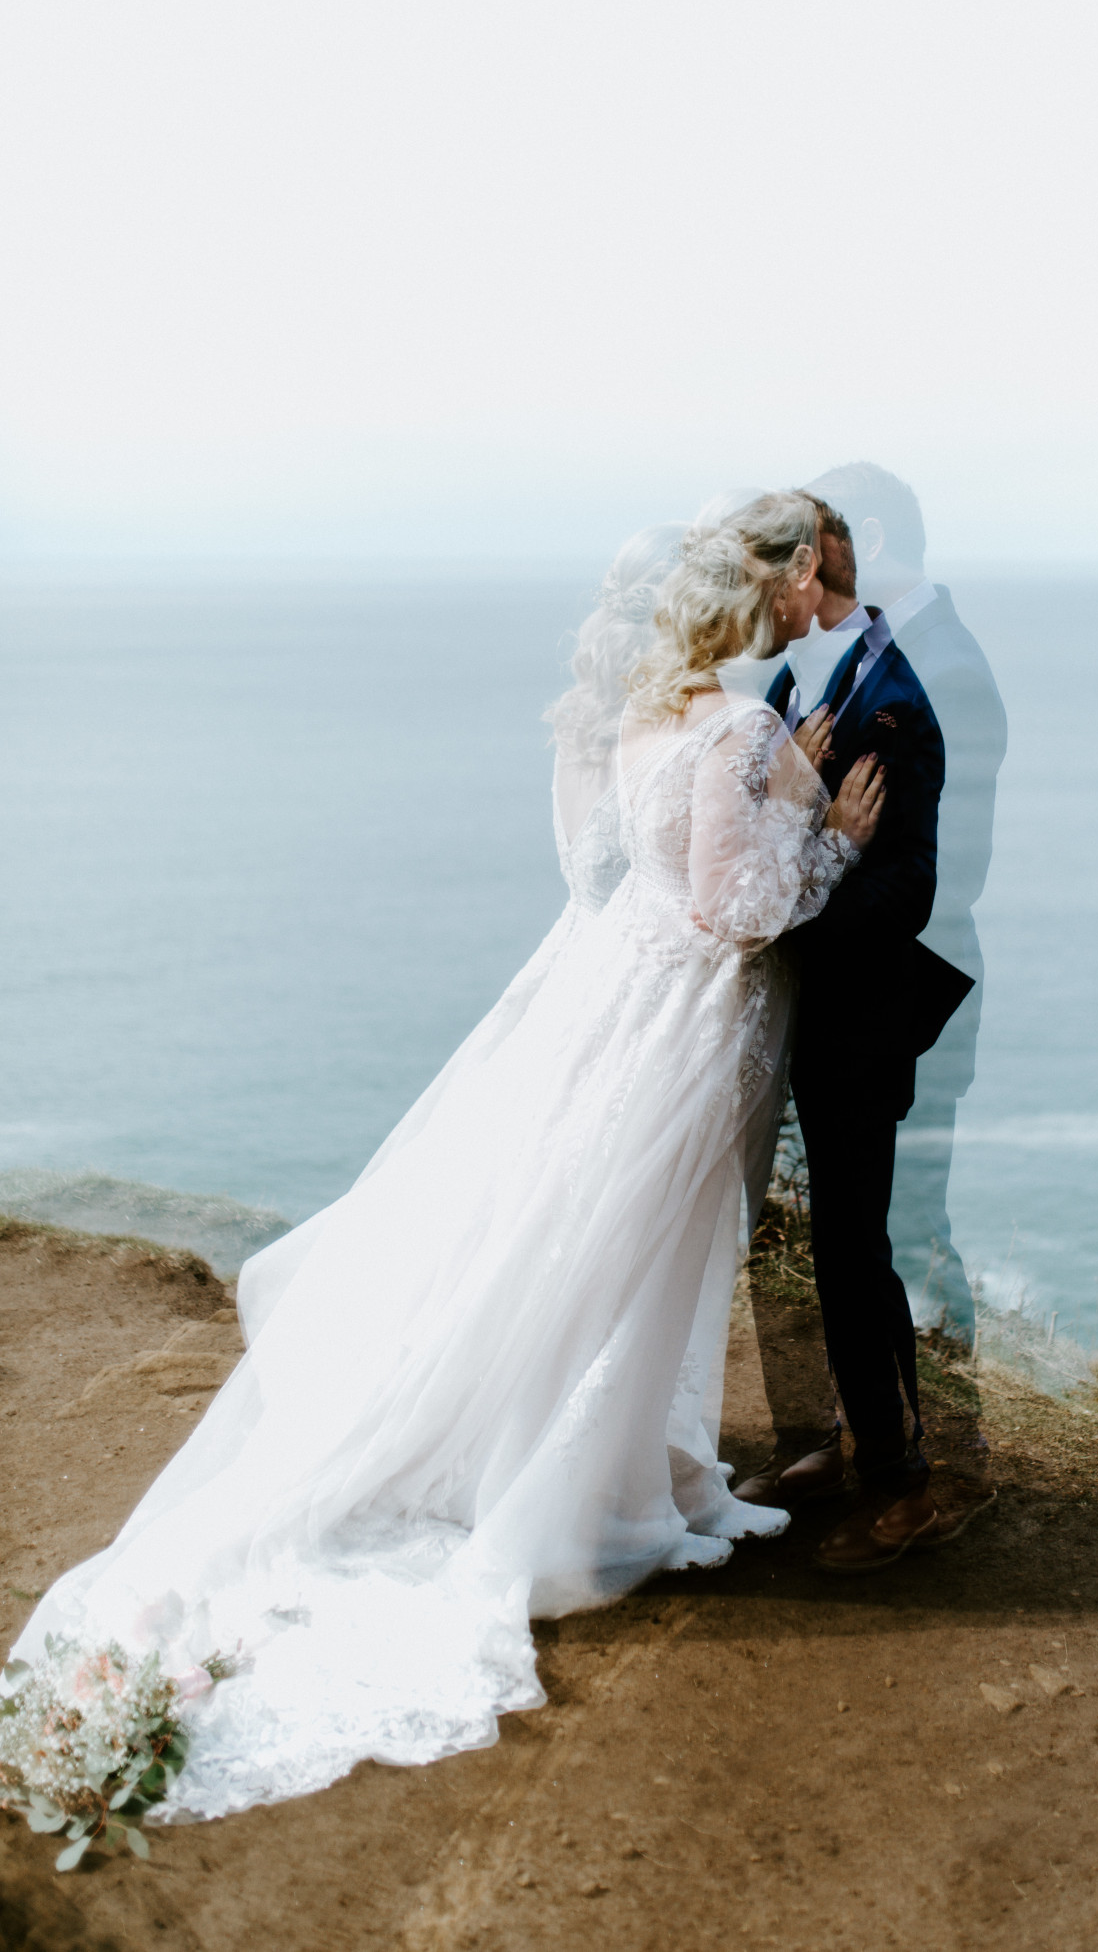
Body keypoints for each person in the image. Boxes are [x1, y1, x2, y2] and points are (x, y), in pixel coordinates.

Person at [9, 492, 884, 1821]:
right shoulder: (741, 724)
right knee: (639, 1249)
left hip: (627, 997)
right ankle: (598, 1486)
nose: (784, 608)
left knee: (593, 1239)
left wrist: (779, 797)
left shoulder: (645, 721)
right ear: (736, 612)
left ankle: (623, 1466)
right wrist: (830, 837)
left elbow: (612, 870)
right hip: (693, 1015)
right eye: (769, 596)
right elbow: (731, 909)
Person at [734, 466, 1005, 1570]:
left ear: (860, 539)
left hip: (899, 986)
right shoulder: (828, 654)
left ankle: (945, 1467)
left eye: (810, 538)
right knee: (813, 1231)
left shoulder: (938, 672)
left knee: (896, 1234)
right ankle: (840, 1434)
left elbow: (936, 876)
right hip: (818, 984)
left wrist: (789, 909)